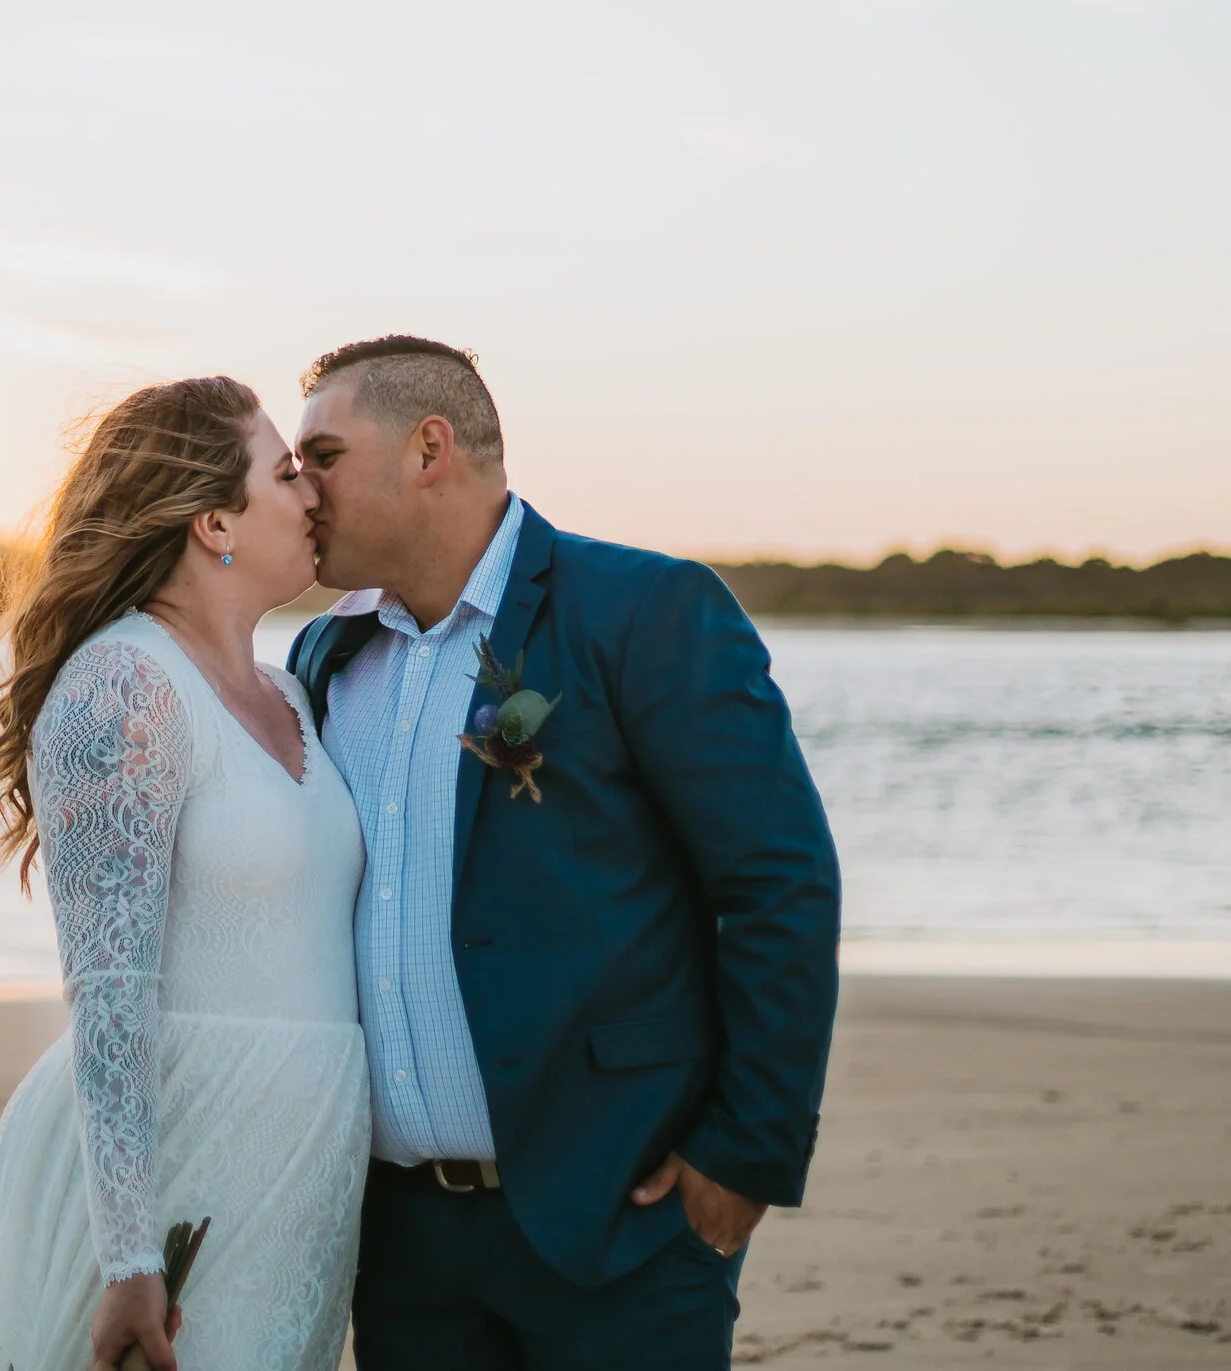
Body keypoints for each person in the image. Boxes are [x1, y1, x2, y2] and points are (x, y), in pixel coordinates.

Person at [288, 335, 841, 1370]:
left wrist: (744, 1150)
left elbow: (777, 883)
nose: (296, 484)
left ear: (428, 447)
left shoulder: (643, 611)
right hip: (399, 1244)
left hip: (617, 1216)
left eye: (319, 455)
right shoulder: (326, 652)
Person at [0, 376, 368, 1371]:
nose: (313, 492)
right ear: (214, 518)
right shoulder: (124, 685)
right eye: (285, 472)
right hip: (169, 1178)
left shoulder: (294, 693)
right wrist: (130, 1250)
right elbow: (109, 985)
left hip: (292, 1168)